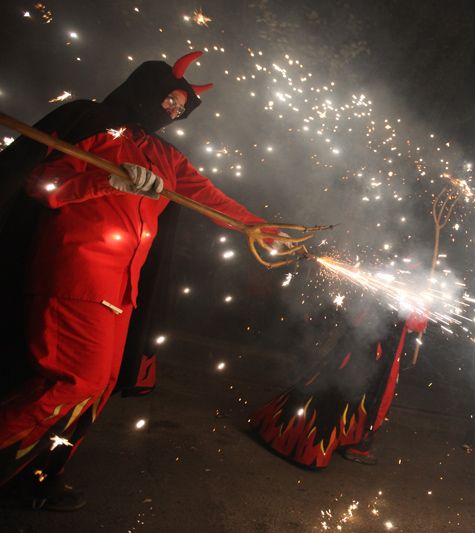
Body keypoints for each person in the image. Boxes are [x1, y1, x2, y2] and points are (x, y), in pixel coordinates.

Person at [0, 51, 283, 510]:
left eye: (180, 110)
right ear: (146, 87)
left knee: (102, 385)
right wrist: (106, 181)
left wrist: (258, 226)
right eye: (169, 101)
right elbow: (40, 185)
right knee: (71, 383)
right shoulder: (90, 123)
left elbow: (212, 200)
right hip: (74, 277)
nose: (171, 113)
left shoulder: (166, 156)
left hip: (122, 290)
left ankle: (37, 472)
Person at [250, 304, 428, 469]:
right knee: (357, 388)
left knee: (340, 379)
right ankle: (318, 445)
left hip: (364, 332)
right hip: (378, 342)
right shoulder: (409, 282)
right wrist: (421, 315)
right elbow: (411, 319)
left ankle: (294, 433)